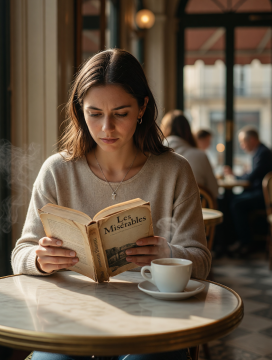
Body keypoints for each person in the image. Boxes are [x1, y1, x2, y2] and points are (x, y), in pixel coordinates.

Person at [11, 49, 211, 360]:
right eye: (94, 113)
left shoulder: (174, 171)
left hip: (153, 323)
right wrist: (39, 259)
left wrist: (169, 254)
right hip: (70, 320)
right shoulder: (57, 170)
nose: (107, 128)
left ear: (142, 107)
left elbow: (201, 261)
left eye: (120, 113)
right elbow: (20, 254)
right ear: (80, 110)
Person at [224, 127, 272, 256]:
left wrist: (235, 176)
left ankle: (246, 243)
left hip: (267, 196)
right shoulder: (260, 152)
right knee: (233, 199)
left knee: (236, 203)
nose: (242, 146)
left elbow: (251, 177)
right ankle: (239, 241)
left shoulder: (263, 153)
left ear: (253, 140)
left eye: (243, 142)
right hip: (262, 193)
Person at [161, 110, 218, 199]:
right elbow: (214, 191)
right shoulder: (200, 155)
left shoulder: (153, 155)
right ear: (188, 130)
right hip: (196, 211)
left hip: (163, 211)